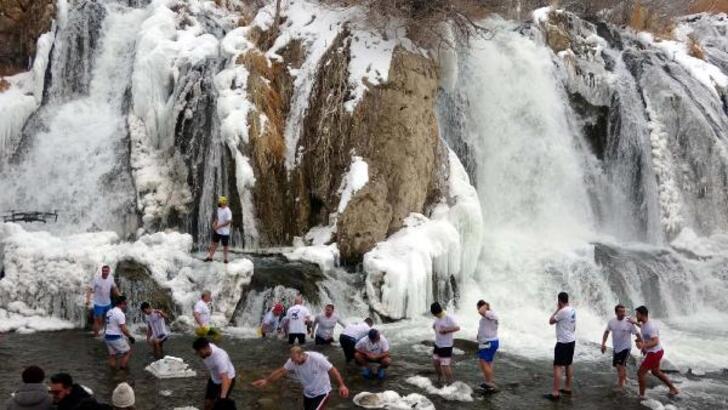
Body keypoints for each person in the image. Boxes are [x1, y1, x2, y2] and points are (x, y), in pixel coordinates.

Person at [252, 346, 349, 410]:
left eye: (296, 360)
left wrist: (341, 385)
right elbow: (281, 371)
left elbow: (332, 370)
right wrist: (267, 381)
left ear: (302, 354)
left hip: (322, 392)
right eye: (292, 360)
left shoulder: (317, 359)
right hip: (308, 393)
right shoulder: (292, 361)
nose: (294, 363)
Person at [629, 306, 679, 398]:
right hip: (657, 352)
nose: (636, 316)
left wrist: (643, 345)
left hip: (655, 353)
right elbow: (642, 327)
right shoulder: (644, 324)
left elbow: (655, 341)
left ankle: (641, 396)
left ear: (642, 314)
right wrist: (634, 322)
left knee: (640, 373)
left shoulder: (651, 327)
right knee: (656, 372)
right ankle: (673, 388)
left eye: (637, 314)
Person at [601, 304, 641, 391]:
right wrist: (603, 344)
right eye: (621, 312)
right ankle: (625, 379)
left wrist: (641, 344)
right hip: (616, 347)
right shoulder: (612, 322)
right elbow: (606, 332)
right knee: (619, 366)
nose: (623, 313)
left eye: (624, 311)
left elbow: (637, 334)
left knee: (620, 366)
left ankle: (621, 385)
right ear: (616, 312)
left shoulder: (629, 322)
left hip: (626, 347)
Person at [545, 292, 576, 401]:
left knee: (557, 366)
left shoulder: (562, 311)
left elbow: (551, 321)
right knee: (568, 364)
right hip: (571, 340)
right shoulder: (572, 310)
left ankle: (555, 393)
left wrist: (557, 309)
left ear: (559, 301)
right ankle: (567, 388)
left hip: (563, 342)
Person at [193, 337, 236, 410]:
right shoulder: (206, 348)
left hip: (227, 380)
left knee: (219, 406)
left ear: (206, 348)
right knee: (208, 403)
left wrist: (223, 398)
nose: (199, 355)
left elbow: (225, 378)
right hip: (214, 379)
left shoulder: (220, 358)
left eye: (199, 353)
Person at [429, 302, 460, 385]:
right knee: (435, 362)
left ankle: (450, 382)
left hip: (446, 345)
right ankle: (440, 378)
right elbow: (434, 326)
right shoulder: (437, 318)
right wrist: (436, 331)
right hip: (438, 344)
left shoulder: (448, 318)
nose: (435, 316)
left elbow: (457, 328)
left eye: (435, 314)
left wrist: (446, 330)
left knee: (445, 365)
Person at [85, 265, 120, 337]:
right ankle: (96, 335)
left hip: (108, 303)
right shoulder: (96, 279)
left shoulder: (111, 278)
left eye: (106, 271)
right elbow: (89, 289)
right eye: (103, 271)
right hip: (98, 304)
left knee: (109, 319)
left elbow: (114, 287)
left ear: (109, 271)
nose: (105, 272)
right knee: (98, 320)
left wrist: (120, 296)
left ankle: (106, 333)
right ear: (101, 271)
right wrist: (88, 299)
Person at [104, 295, 135, 370]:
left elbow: (107, 325)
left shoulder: (109, 311)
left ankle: (113, 373)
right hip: (115, 337)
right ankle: (122, 371)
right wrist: (130, 337)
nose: (126, 305)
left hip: (107, 337)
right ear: (122, 303)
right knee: (128, 352)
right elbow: (123, 329)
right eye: (126, 303)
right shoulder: (120, 314)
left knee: (112, 355)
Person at [476, 300, 499, 391]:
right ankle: (488, 381)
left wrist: (485, 305)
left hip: (488, 343)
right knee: (488, 362)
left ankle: (489, 383)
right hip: (490, 342)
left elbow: (481, 311)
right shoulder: (490, 314)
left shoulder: (489, 313)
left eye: (477, 307)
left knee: (483, 362)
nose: (477, 309)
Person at [205, 196, 233, 264]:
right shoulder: (219, 208)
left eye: (221, 203)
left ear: (224, 203)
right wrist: (214, 223)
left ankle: (225, 259)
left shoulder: (228, 211)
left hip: (225, 232)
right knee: (214, 243)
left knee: (225, 246)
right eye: (219, 203)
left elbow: (228, 221)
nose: (219, 204)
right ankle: (210, 257)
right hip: (218, 230)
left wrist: (219, 226)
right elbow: (218, 218)